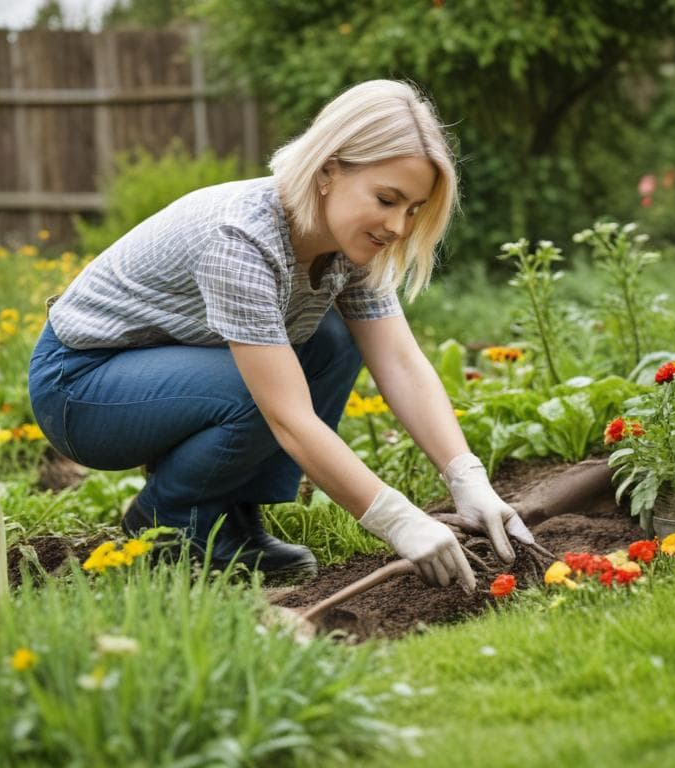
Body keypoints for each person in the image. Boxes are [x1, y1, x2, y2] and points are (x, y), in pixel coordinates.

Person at [28, 79, 534, 588]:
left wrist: (468, 479)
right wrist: (398, 520)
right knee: (264, 392)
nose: (398, 226)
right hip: (81, 384)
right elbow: (286, 414)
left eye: (412, 209)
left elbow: (399, 362)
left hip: (166, 365)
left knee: (333, 343)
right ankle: (170, 523)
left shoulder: (348, 244)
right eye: (386, 199)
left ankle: (231, 515)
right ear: (328, 171)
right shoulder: (242, 238)